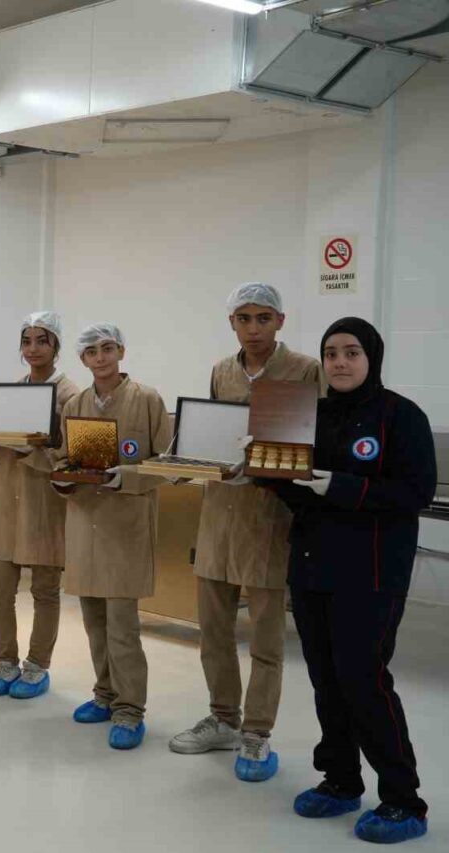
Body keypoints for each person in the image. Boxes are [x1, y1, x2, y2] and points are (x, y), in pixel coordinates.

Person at [267, 317, 433, 845]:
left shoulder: (401, 417)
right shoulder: (308, 415)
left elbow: (415, 492)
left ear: (372, 358)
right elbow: (295, 489)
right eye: (331, 353)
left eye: (351, 352)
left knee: (364, 680)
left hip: (373, 572)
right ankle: (340, 780)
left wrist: (340, 485)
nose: (340, 362)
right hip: (314, 565)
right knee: (326, 680)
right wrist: (266, 467)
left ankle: (403, 800)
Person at [169, 283, 322, 781]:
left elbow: (309, 442)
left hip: (270, 515)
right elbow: (213, 432)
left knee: (266, 638)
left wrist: (261, 467)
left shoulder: (304, 371)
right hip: (219, 512)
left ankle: (256, 734)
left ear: (280, 320)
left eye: (262, 318)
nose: (252, 328)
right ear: (231, 322)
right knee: (213, 630)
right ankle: (222, 718)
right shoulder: (221, 371)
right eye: (243, 319)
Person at [54, 323, 171, 750]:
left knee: (123, 625)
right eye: (91, 352)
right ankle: (104, 695)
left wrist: (130, 476)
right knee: (94, 621)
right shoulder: (76, 404)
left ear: (121, 350)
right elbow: (67, 458)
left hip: (126, 524)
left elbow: (167, 462)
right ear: (82, 360)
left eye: (107, 349)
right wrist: (63, 478)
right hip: (86, 521)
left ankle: (129, 709)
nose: (100, 357)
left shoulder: (147, 400)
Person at [0, 311, 81, 699]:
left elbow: (70, 455)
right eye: (27, 341)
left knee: (45, 590)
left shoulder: (70, 395)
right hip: (8, 500)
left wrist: (35, 454)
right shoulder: (10, 392)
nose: (33, 349)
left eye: (42, 341)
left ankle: (37, 666)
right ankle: (5, 663)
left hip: (45, 502)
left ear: (55, 346)